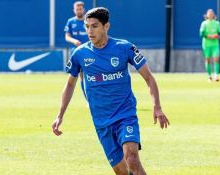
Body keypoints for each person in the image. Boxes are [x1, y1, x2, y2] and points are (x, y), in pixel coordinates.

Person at [52, 7, 170, 175]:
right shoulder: (80, 54)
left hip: (125, 114)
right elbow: (70, 85)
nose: (89, 31)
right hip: (101, 121)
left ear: (106, 27)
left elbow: (149, 78)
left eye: (94, 26)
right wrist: (60, 115)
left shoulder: (124, 48)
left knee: (132, 159)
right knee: (122, 171)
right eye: (87, 26)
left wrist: (157, 107)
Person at [64, 1, 89, 98]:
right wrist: (74, 41)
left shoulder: (88, 21)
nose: (79, 11)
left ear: (84, 10)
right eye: (77, 9)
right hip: (77, 53)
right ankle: (87, 99)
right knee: (81, 76)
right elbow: (67, 36)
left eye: (80, 9)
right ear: (74, 10)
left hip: (89, 51)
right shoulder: (71, 22)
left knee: (92, 75)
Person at [200, 9, 220, 82]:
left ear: (214, 14)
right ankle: (209, 76)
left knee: (216, 59)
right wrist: (209, 36)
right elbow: (201, 34)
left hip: (215, 44)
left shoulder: (217, 23)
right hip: (206, 44)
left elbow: (219, 33)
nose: (211, 14)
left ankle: (216, 75)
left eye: (212, 13)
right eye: (209, 13)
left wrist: (217, 36)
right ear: (207, 15)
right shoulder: (204, 23)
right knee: (208, 60)